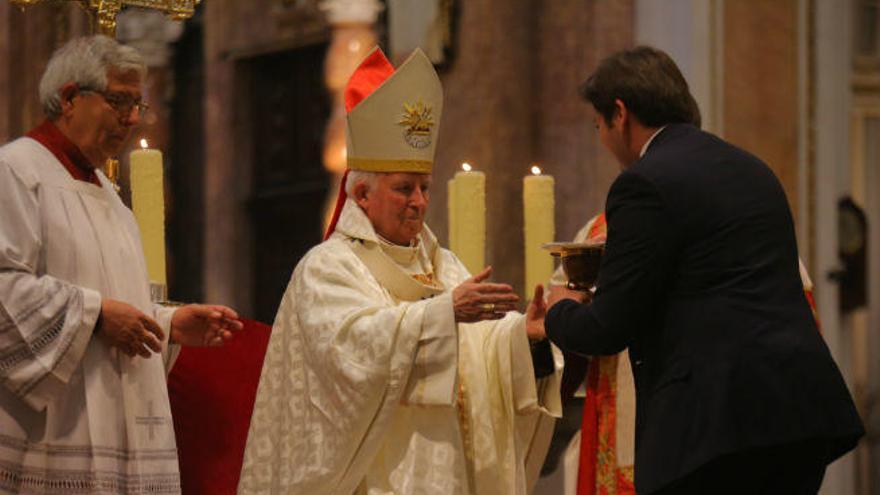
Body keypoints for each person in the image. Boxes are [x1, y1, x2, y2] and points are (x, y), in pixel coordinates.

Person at [239, 47, 562, 495]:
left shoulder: (442, 264)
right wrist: (443, 313)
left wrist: (523, 336)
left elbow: (480, 348)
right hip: (375, 474)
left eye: (424, 187)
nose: (419, 201)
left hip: (445, 468)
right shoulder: (328, 268)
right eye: (403, 189)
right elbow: (352, 352)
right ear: (363, 194)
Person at [543, 46, 864, 495]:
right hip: (799, 416)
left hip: (716, 431)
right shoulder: (752, 168)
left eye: (598, 125)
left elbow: (608, 328)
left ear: (620, 114)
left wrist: (558, 311)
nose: (602, 138)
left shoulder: (644, 183)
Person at [0, 35, 243, 494]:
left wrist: (167, 324)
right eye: (119, 102)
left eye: (138, 105)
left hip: (112, 423)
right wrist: (93, 317)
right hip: (49, 438)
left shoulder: (111, 199)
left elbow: (119, 303)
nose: (131, 119)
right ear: (70, 98)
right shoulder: (15, 172)